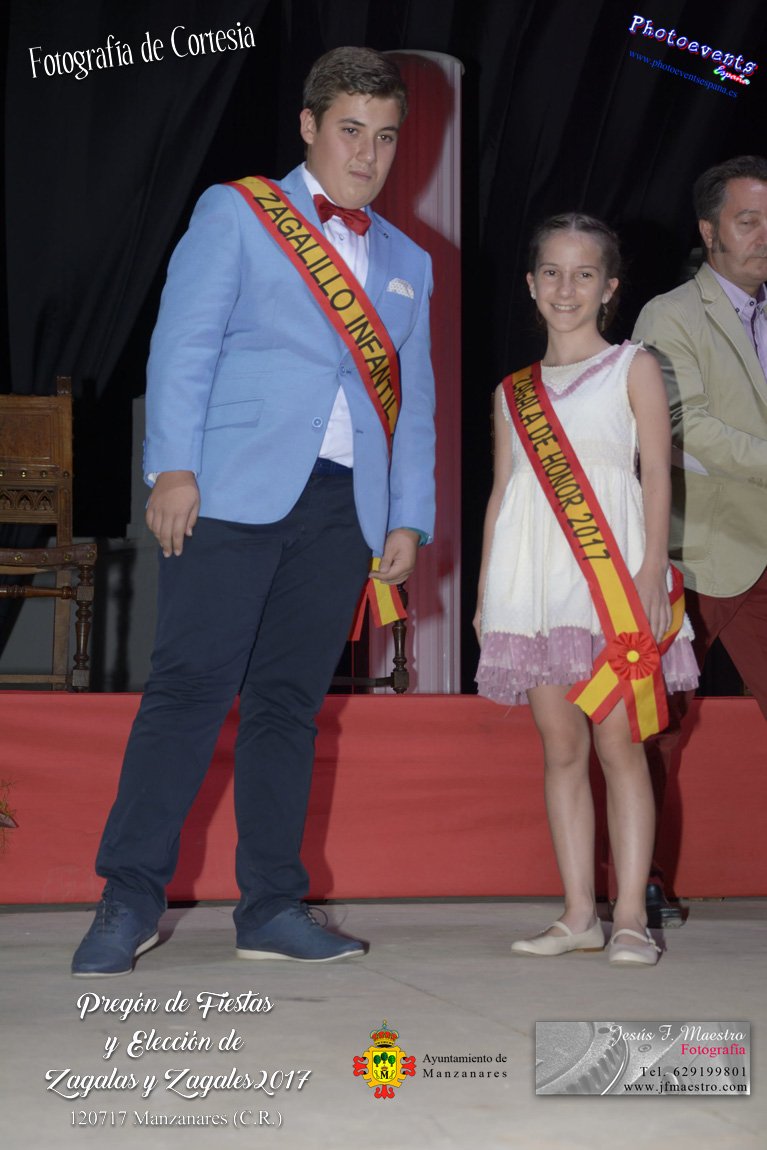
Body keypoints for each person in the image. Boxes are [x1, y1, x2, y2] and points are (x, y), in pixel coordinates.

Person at [72, 47, 436, 977]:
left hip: (343, 508)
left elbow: (416, 401)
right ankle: (128, 899)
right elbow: (183, 344)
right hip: (230, 489)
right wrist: (172, 468)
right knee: (189, 690)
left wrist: (407, 516)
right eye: (349, 130)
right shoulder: (237, 212)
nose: (367, 154)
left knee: (288, 707)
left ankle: (270, 905)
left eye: (384, 137)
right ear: (309, 127)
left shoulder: (409, 262)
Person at [474, 214, 698, 966]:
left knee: (618, 744)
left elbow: (656, 475)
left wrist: (650, 573)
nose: (564, 288)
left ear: (609, 287)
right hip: (535, 589)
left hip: (612, 584)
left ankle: (629, 915)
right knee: (561, 746)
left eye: (582, 274)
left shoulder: (633, 365)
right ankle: (578, 913)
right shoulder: (512, 392)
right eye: (551, 272)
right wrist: (488, 595)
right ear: (530, 283)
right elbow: (502, 493)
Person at [633, 157, 767, 921]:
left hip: (760, 545)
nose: (762, 236)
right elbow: (681, 426)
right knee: (657, 724)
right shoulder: (668, 315)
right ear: (709, 230)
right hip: (697, 550)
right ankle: (637, 879)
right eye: (746, 221)